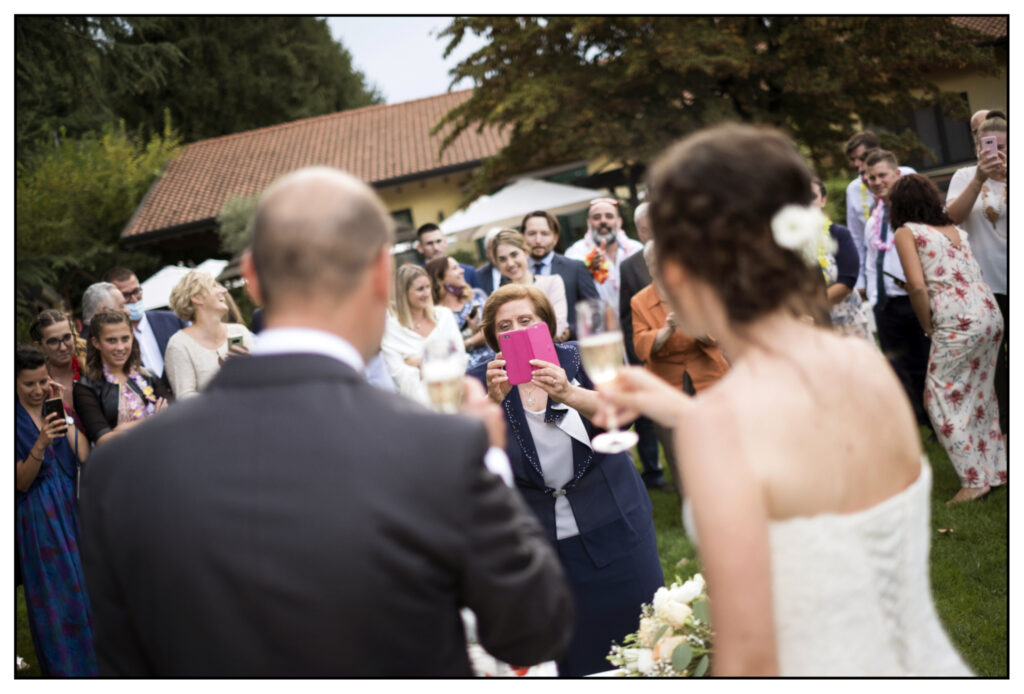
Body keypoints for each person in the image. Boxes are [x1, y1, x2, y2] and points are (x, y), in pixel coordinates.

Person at [79, 166, 572, 676]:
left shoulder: (120, 469)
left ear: (251, 278)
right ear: (383, 275)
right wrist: (489, 457)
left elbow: (123, 667)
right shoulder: (441, 447)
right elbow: (531, 629)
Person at [598, 124, 970, 676]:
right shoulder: (860, 364)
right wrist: (680, 409)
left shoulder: (722, 428)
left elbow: (751, 659)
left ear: (676, 270)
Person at [469, 284, 664, 677]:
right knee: (573, 655)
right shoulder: (480, 381)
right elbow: (462, 459)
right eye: (505, 327)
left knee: (644, 643)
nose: (518, 331)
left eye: (527, 321)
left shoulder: (579, 359)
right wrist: (491, 403)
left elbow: (622, 414)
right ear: (493, 339)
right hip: (541, 541)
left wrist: (569, 393)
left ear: (547, 325)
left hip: (614, 521)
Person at [891, 174, 1006, 505]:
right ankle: (995, 470)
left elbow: (916, 286)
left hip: (958, 320)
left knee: (939, 398)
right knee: (980, 394)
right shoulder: (957, 231)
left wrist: (928, 325)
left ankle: (973, 482)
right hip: (988, 312)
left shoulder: (906, 232)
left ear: (899, 206)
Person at [15, 345, 96, 676]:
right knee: (58, 597)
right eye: (28, 384)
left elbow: (83, 454)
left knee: (89, 590)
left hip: (70, 507)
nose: (36, 390)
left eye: (41, 381)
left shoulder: (54, 409)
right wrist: (41, 442)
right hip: (39, 518)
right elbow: (19, 482)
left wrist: (64, 411)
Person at [631, 241, 730, 495]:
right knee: (678, 447)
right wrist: (667, 331)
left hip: (708, 373)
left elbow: (717, 335)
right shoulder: (639, 302)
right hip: (665, 381)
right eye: (655, 263)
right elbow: (641, 346)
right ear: (649, 267)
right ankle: (693, 505)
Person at [945, 113, 1007, 440]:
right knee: (995, 366)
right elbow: (952, 217)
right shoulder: (965, 175)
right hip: (985, 286)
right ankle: (1007, 435)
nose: (996, 153)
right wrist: (980, 179)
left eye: (1003, 146)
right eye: (989, 147)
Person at [863, 149, 931, 429]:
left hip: (915, 298)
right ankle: (919, 423)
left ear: (897, 175)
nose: (877, 181)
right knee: (901, 369)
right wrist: (875, 297)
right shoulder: (873, 221)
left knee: (927, 363)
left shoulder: (918, 213)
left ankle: (940, 422)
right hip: (886, 303)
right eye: (871, 178)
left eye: (882, 175)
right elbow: (871, 260)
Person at [613, 204, 666, 489]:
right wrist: (637, 355)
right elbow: (625, 317)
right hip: (648, 352)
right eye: (646, 228)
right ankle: (654, 472)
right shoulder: (630, 265)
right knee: (648, 420)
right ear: (640, 230)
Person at [72, 308, 171, 445]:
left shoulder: (148, 376)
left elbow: (173, 415)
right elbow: (103, 439)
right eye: (111, 341)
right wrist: (152, 419)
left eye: (125, 339)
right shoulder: (86, 387)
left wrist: (121, 429)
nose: (120, 347)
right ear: (96, 342)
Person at [381, 264, 467, 406]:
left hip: (456, 399)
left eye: (428, 287)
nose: (427, 293)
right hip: (419, 408)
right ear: (404, 293)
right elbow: (400, 378)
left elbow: (460, 359)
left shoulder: (444, 316)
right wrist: (440, 359)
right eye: (420, 289)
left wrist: (420, 363)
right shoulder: (391, 330)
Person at [164, 270, 255, 399]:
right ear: (197, 298)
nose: (224, 290)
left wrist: (251, 367)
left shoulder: (239, 332)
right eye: (214, 286)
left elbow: (259, 384)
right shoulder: (179, 345)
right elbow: (185, 400)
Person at [521, 210, 600, 339]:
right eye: (532, 234)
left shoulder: (576, 268)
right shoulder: (515, 272)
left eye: (545, 234)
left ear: (555, 237)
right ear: (522, 236)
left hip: (570, 347)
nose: (538, 240)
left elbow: (594, 312)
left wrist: (569, 330)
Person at [810, 178, 873, 341]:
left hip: (846, 323)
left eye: (811, 196)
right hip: (808, 327)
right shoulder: (787, 240)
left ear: (823, 200)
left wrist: (810, 308)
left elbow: (847, 281)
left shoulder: (839, 234)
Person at [103, 266, 188, 381]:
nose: (134, 299)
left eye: (136, 291)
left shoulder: (173, 320)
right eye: (126, 295)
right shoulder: (110, 338)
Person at [564, 198, 643, 321]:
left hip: (636, 323)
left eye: (609, 216)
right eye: (596, 217)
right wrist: (587, 268)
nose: (603, 221)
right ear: (588, 223)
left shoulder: (636, 249)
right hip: (598, 327)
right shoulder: (575, 253)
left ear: (619, 222)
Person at [492, 228, 569, 341]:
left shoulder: (552, 283)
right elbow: (499, 337)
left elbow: (558, 328)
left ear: (526, 252)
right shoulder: (498, 297)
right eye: (502, 259)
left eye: (514, 255)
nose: (510, 263)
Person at [426, 254, 494, 370]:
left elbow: (493, 330)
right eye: (455, 268)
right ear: (439, 277)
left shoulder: (476, 296)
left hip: (495, 362)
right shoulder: (435, 314)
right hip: (465, 373)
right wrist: (471, 333)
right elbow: (443, 350)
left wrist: (463, 343)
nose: (462, 270)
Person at [30, 309, 86, 416]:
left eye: (67, 337)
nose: (63, 347)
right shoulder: (36, 386)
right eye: (53, 341)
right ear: (39, 346)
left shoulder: (91, 369)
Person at [415, 222, 482, 290]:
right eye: (429, 243)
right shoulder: (417, 276)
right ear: (420, 247)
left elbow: (480, 298)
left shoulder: (468, 272)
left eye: (438, 241)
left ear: (445, 242)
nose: (436, 248)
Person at [477, 226, 504, 295]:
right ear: (486, 253)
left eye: (501, 247)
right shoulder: (479, 276)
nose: (498, 253)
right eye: (493, 249)